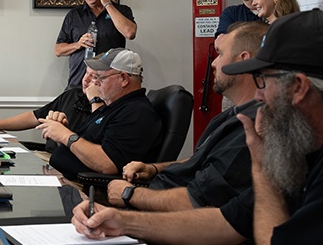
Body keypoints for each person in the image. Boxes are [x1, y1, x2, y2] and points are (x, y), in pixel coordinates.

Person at [72, 10, 322, 244]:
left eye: (263, 80)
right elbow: (227, 220)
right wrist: (123, 221)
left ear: (298, 87)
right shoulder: (294, 151)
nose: (258, 97)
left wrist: (262, 173)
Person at [106, 21, 268, 211]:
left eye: (220, 54)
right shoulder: (227, 118)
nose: (213, 63)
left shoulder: (252, 129)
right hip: (154, 196)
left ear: (243, 61)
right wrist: (154, 169)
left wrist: (129, 195)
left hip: (166, 215)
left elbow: (199, 201)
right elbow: (199, 160)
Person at [42, 48, 161, 180]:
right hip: (62, 176)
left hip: (86, 189)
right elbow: (83, 149)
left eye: (101, 77)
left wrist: (65, 136)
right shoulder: (111, 107)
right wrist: (61, 134)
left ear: (123, 79)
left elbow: (108, 164)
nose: (95, 82)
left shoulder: (137, 113)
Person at [0, 67, 103, 153]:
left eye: (94, 76)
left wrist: (95, 99)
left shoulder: (109, 108)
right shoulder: (73, 95)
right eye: (86, 73)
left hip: (70, 167)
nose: (85, 80)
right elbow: (35, 117)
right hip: (49, 158)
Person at [54, 0, 137, 88]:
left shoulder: (122, 11)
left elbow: (130, 33)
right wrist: (78, 44)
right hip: (78, 86)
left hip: (110, 88)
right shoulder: (74, 15)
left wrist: (107, 4)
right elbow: (58, 50)